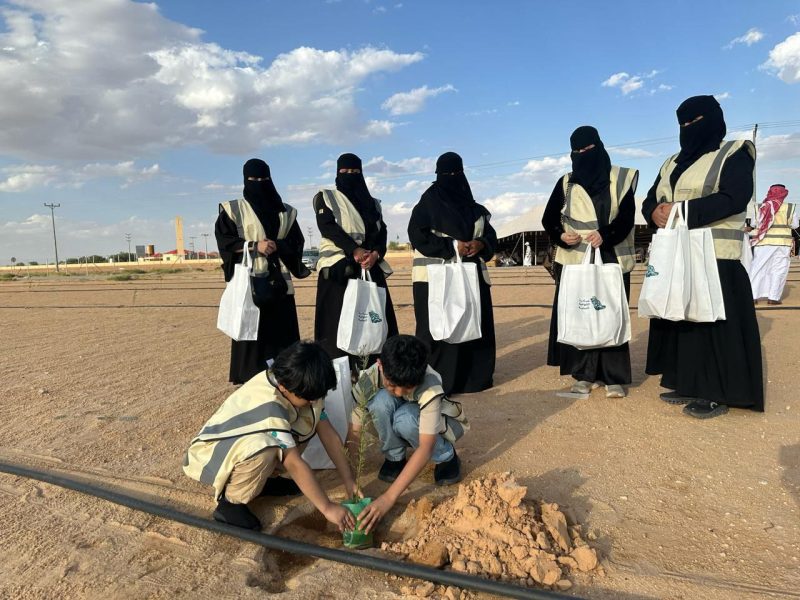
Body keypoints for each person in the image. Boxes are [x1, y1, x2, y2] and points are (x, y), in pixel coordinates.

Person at [642, 95, 763, 418]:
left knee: (714, 325)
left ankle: (718, 392)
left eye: (695, 121)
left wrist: (680, 210)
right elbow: (651, 198)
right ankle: (687, 381)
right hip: (677, 254)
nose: (688, 128)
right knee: (682, 320)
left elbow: (734, 197)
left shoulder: (734, 153)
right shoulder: (671, 162)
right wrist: (653, 212)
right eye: (683, 123)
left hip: (715, 255)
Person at [183, 341, 358, 531]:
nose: (314, 401)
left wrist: (349, 481)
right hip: (213, 452)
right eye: (309, 398)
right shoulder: (270, 405)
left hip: (244, 445)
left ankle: (263, 481)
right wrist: (327, 508)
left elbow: (329, 435)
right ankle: (231, 503)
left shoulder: (299, 385)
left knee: (305, 423)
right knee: (267, 446)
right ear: (283, 387)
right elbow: (293, 463)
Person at [542, 126, 638, 398]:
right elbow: (549, 218)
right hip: (575, 260)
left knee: (610, 313)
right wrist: (561, 236)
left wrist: (606, 234)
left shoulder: (621, 178)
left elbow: (627, 217)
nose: (583, 154)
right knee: (581, 313)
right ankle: (583, 375)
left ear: (600, 146)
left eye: (588, 149)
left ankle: (613, 377)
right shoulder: (566, 182)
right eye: (577, 150)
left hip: (611, 256)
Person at [345, 335, 468, 532]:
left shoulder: (430, 385)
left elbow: (426, 447)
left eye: (408, 387)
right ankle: (395, 458)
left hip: (420, 421)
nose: (399, 392)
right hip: (398, 413)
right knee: (380, 402)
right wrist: (350, 478)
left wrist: (388, 498)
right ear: (380, 365)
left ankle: (446, 457)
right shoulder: (370, 377)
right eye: (392, 384)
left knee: (405, 418)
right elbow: (355, 432)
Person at [407, 152, 497, 394]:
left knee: (472, 325)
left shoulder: (475, 208)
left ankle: (473, 380)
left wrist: (480, 244)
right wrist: (452, 246)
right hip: (435, 278)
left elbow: (491, 236)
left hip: (471, 276)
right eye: (447, 174)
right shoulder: (428, 204)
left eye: (456, 173)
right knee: (439, 330)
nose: (452, 178)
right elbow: (417, 235)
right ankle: (438, 382)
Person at [215, 158, 309, 384]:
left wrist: (278, 246)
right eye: (253, 179)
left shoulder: (286, 212)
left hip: (280, 286)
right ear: (245, 180)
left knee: (283, 335)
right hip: (251, 286)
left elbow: (296, 242)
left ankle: (286, 381)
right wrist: (254, 246)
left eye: (263, 178)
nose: (259, 183)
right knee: (251, 332)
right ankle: (250, 381)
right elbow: (225, 241)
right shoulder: (234, 209)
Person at [313, 153, 398, 363]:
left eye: (355, 171)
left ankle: (375, 371)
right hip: (338, 271)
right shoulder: (326, 197)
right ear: (337, 173)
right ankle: (338, 374)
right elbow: (327, 227)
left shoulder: (373, 204)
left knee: (375, 320)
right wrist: (354, 250)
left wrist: (376, 254)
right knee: (336, 325)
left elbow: (381, 232)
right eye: (345, 171)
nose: (350, 174)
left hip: (369, 266)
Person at [750, 184, 796, 305]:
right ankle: (773, 298)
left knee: (758, 268)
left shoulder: (760, 207)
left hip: (762, 243)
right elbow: (795, 225)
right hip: (782, 244)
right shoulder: (790, 207)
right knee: (779, 269)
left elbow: (754, 224)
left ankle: (753, 296)